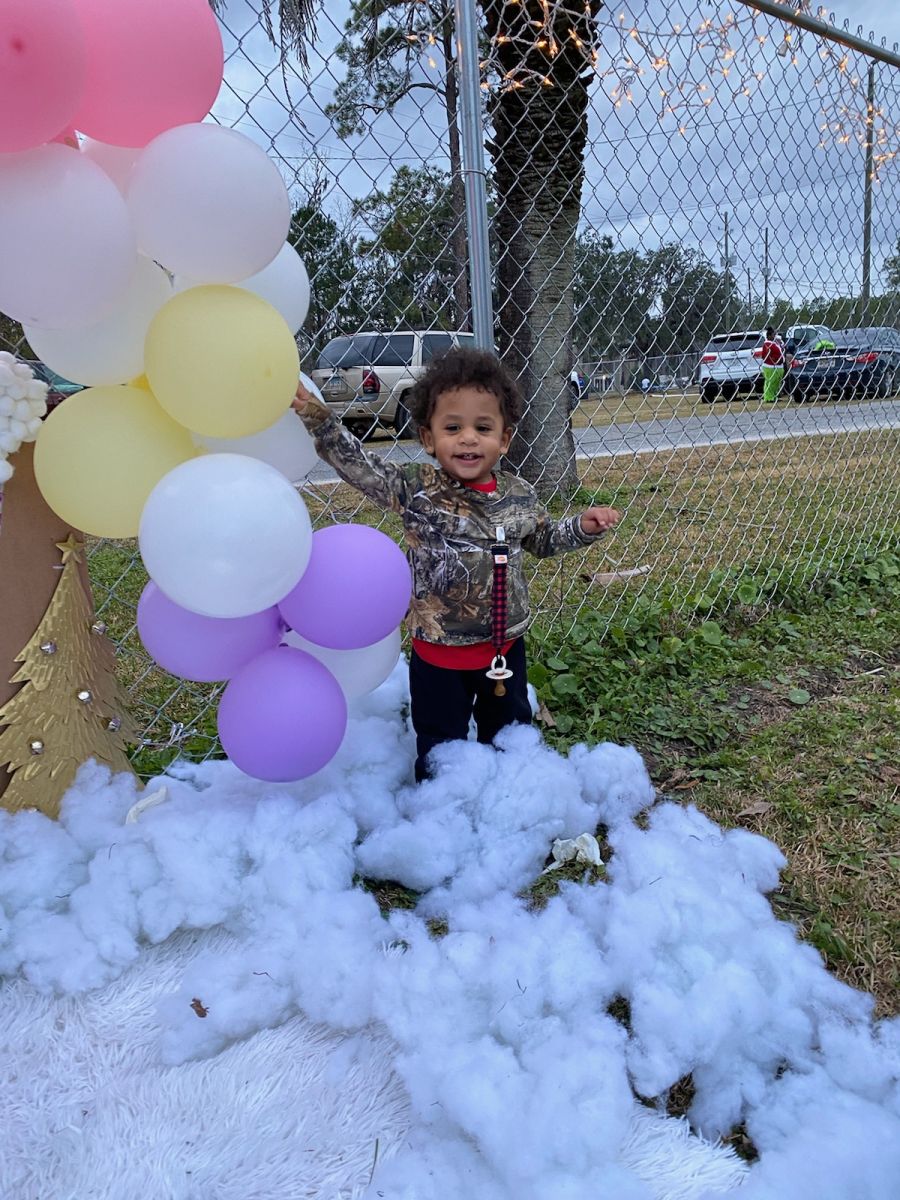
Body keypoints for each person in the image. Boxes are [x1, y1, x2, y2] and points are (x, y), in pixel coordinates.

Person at [292, 347, 621, 782]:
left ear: (504, 439)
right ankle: (440, 811)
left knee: (508, 737)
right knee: (439, 745)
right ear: (428, 438)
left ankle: (506, 796)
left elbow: (542, 539)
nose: (468, 438)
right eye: (453, 427)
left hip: (504, 651)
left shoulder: (519, 494)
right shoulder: (415, 490)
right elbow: (359, 466)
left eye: (483, 427)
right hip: (439, 654)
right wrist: (319, 419)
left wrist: (581, 527)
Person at [760, 326, 785, 403]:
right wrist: (774, 360)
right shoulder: (767, 344)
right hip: (770, 366)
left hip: (778, 366)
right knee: (770, 382)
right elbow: (765, 356)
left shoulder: (775, 343)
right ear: (769, 336)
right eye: (773, 335)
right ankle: (768, 397)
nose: (775, 336)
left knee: (776, 382)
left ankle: (774, 396)